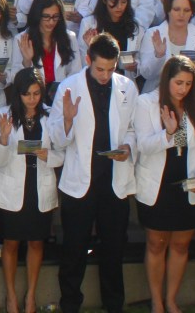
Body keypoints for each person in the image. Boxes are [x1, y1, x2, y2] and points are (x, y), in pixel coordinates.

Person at [48, 32, 137, 313]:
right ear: (88, 60)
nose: (105, 75)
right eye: (100, 68)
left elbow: (134, 129)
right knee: (74, 249)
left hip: (114, 182)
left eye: (111, 69)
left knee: (113, 250)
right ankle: (70, 304)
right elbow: (57, 140)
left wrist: (128, 146)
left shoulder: (127, 87)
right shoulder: (68, 87)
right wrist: (68, 120)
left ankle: (114, 305)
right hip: (79, 184)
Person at [134, 55, 195, 313]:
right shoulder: (146, 103)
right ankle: (157, 301)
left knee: (181, 244)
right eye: (178, 82)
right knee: (156, 242)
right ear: (166, 79)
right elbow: (144, 146)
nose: (183, 89)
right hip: (158, 183)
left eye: (188, 84)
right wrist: (168, 134)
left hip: (189, 182)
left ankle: (171, 299)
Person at [0, 67, 62, 313]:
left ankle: (31, 295)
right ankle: (11, 296)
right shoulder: (3, 115)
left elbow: (61, 155)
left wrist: (47, 155)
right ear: (17, 95)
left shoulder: (51, 116)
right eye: (27, 94)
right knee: (10, 243)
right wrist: (3, 138)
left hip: (39, 185)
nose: (32, 99)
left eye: (36, 93)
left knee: (36, 243)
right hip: (12, 188)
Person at [140, 0, 195, 89]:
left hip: (190, 97)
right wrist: (158, 56)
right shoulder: (152, 34)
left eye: (187, 10)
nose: (181, 14)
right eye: (176, 9)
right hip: (157, 95)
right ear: (168, 10)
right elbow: (146, 73)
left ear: (192, 12)